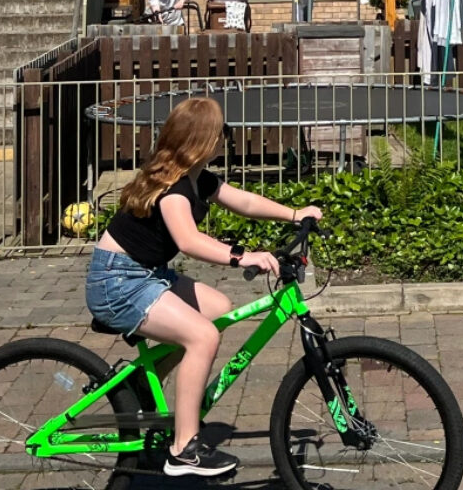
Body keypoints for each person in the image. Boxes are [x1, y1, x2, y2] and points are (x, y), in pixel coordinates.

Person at [85, 96, 322, 477]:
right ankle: (182, 450)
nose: (224, 140)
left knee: (219, 308)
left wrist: (296, 214)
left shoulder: (200, 179)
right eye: (221, 133)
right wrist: (242, 255)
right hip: (118, 282)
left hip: (144, 273)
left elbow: (243, 200)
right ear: (201, 141)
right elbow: (190, 242)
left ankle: (142, 386)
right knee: (203, 337)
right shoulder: (175, 190)